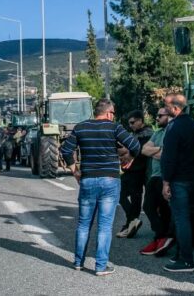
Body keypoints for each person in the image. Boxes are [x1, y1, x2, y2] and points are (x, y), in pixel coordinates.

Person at [60, 99, 140, 276]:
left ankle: (78, 262)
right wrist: (130, 159)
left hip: (88, 180)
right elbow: (135, 145)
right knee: (104, 225)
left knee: (83, 223)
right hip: (110, 181)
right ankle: (100, 266)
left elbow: (66, 150)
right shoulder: (114, 128)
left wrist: (75, 171)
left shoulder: (81, 127)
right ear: (109, 113)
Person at [160, 93, 194, 273]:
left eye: (167, 106)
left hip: (177, 179)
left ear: (175, 108)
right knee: (183, 218)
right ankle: (179, 254)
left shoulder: (173, 127)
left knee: (181, 219)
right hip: (191, 177)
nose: (165, 108)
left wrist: (166, 182)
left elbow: (169, 157)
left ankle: (186, 260)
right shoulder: (192, 125)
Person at [139, 106, 174, 256]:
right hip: (154, 176)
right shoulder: (157, 132)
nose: (157, 118)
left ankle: (161, 238)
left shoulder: (172, 132)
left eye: (160, 116)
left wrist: (156, 151)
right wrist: (158, 150)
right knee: (148, 206)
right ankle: (161, 235)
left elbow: (167, 154)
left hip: (164, 175)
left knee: (165, 209)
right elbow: (144, 150)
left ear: (170, 116)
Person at [116, 110, 152, 239]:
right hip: (131, 170)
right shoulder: (135, 134)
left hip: (139, 171)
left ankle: (130, 224)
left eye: (133, 122)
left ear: (141, 120)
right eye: (129, 123)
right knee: (120, 194)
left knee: (136, 199)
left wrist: (127, 151)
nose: (130, 125)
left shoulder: (147, 134)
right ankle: (132, 221)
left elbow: (140, 150)